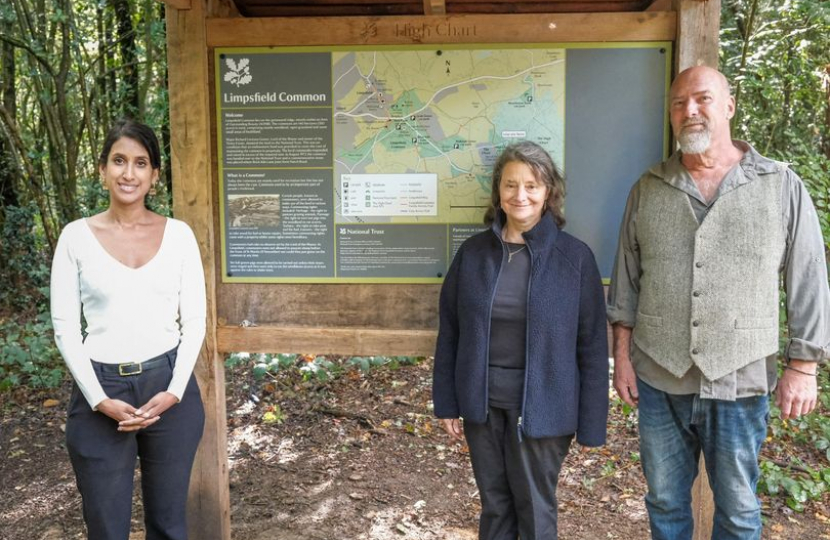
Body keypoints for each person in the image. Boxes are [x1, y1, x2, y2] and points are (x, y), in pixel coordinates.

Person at [607, 66, 830, 540]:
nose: (690, 110)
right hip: (659, 378)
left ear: (729, 106)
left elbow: (809, 278)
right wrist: (622, 359)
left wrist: (803, 365)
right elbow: (625, 282)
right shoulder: (648, 188)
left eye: (703, 99)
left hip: (741, 377)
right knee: (665, 502)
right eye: (679, 103)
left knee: (739, 508)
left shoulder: (780, 185)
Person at [433, 141, 609, 540]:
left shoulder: (575, 258)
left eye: (532, 185)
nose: (521, 195)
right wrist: (446, 401)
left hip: (545, 408)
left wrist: (592, 425)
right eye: (511, 185)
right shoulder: (473, 255)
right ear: (498, 191)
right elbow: (451, 332)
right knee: (495, 505)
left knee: (534, 506)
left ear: (549, 192)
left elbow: (593, 347)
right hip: (482, 406)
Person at [50, 119, 207, 540]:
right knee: (105, 527)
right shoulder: (75, 237)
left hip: (169, 388)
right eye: (119, 161)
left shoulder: (179, 235)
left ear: (154, 176)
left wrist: (174, 391)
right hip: (99, 390)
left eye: (140, 163)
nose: (128, 173)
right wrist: (100, 399)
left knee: (169, 525)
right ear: (102, 169)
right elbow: (65, 326)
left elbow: (194, 320)